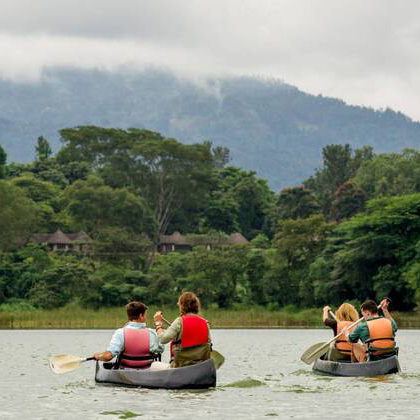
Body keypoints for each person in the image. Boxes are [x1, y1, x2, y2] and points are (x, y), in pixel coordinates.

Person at [93, 301, 164, 368]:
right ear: (140, 316)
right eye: (145, 315)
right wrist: (159, 326)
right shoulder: (151, 333)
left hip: (126, 370)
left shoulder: (120, 333)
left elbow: (108, 356)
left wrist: (99, 356)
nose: (146, 317)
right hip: (147, 369)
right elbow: (161, 349)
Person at [154, 292, 212, 368]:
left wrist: (158, 323)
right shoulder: (205, 323)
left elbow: (162, 339)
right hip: (200, 366)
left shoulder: (179, 321)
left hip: (181, 366)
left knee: (154, 365)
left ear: (182, 306)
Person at [345, 298, 398, 363]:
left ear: (367, 313)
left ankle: (355, 369)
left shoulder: (362, 326)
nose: (363, 317)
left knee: (355, 345)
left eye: (363, 314)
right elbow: (395, 327)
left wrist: (346, 333)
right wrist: (385, 310)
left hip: (373, 358)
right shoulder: (389, 323)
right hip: (390, 356)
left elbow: (350, 340)